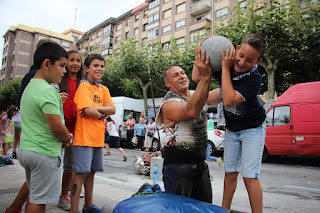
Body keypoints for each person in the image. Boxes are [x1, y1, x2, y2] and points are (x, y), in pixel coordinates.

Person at [193, 34, 267, 213]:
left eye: (249, 60)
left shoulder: (254, 78)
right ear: (236, 49)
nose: (241, 62)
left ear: (258, 61)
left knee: (249, 176)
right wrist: (199, 55)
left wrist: (226, 68)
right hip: (233, 129)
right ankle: (224, 210)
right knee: (230, 172)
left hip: (253, 128)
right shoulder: (226, 61)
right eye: (240, 55)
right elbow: (196, 77)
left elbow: (228, 100)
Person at [155, 46, 215, 203]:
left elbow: (225, 94)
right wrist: (205, 78)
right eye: (175, 75)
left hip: (200, 165)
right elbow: (191, 112)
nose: (181, 76)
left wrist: (224, 67)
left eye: (182, 73)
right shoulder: (168, 103)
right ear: (168, 84)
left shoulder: (197, 95)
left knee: (204, 208)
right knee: (179, 209)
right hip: (178, 167)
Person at [17, 42, 73, 213]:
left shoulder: (30, 87)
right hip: (44, 152)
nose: (65, 71)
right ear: (47, 64)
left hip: (27, 149)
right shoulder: (48, 91)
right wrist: (68, 137)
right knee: (38, 201)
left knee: (34, 195)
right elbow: (56, 126)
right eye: (62, 65)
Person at [70, 53, 115, 213]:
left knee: (92, 173)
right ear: (87, 68)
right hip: (84, 138)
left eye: (102, 66)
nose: (99, 69)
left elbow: (113, 109)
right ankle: (74, 209)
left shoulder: (104, 89)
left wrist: (95, 110)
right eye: (96, 66)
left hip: (97, 139)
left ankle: (88, 205)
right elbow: (88, 110)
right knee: (80, 174)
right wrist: (102, 112)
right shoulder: (83, 86)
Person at [57, 50, 84, 211]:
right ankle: (41, 195)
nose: (75, 63)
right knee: (52, 164)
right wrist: (57, 97)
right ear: (65, 62)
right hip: (58, 128)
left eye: (78, 61)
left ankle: (63, 196)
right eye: (71, 60)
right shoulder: (59, 80)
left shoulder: (83, 82)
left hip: (77, 131)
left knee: (70, 167)